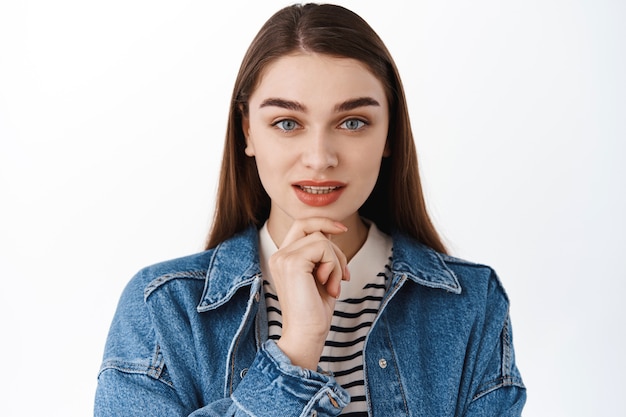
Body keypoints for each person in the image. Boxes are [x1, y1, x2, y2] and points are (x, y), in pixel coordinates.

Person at [94, 3, 526, 416]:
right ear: (248, 131)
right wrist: (294, 352)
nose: (319, 158)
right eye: (287, 123)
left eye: (353, 122)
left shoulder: (470, 305)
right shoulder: (163, 308)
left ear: (390, 133)